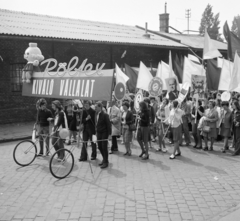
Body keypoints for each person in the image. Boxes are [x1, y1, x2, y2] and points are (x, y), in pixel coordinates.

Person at [95, 101, 112, 169]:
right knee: (99, 147)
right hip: (99, 132)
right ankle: (104, 159)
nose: (95, 108)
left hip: (104, 132)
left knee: (104, 147)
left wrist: (109, 134)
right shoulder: (96, 114)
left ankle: (106, 162)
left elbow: (108, 125)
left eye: (96, 107)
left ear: (100, 107)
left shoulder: (105, 115)